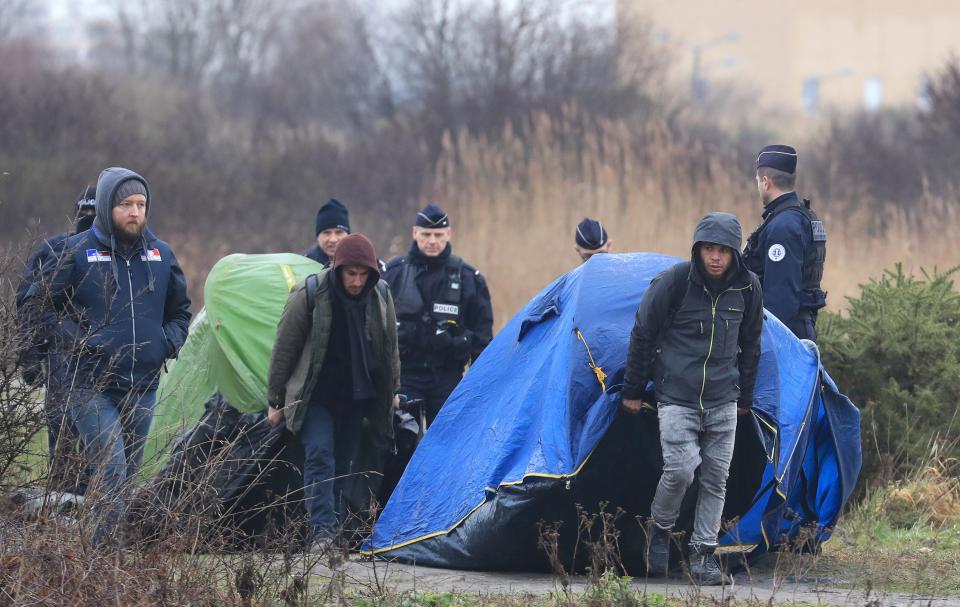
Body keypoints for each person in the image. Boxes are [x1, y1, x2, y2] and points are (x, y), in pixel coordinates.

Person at [41, 167, 192, 545]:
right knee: (112, 470)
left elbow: (180, 312)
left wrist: (165, 343)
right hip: (90, 386)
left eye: (141, 204)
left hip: (143, 385)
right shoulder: (74, 253)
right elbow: (41, 309)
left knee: (125, 478)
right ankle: (104, 559)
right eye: (126, 204)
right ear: (108, 206)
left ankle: (95, 556)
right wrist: (79, 342)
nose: (135, 212)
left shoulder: (162, 255)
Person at [621, 212, 763, 585]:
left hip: (723, 399)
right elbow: (642, 334)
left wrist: (744, 395)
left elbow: (751, 344)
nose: (715, 258)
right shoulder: (674, 283)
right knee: (681, 470)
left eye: (724, 251)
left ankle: (703, 554)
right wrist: (633, 390)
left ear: (735, 254)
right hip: (676, 397)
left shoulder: (748, 288)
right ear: (698, 250)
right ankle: (660, 532)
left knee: (717, 478)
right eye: (709, 249)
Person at [267, 234, 400, 548]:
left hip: (357, 395)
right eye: (349, 274)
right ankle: (322, 533)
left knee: (343, 463)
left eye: (362, 274)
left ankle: (334, 530)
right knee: (320, 455)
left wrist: (393, 389)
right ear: (338, 270)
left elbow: (390, 347)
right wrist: (275, 399)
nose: (355, 281)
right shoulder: (309, 293)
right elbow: (284, 349)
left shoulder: (380, 295)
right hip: (315, 395)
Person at [15, 185, 98, 494]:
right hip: (65, 359)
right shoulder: (56, 250)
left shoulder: (130, 253)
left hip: (91, 359)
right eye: (85, 213)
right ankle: (69, 512)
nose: (88, 220)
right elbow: (29, 305)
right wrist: (31, 358)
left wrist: (30, 358)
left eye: (93, 213)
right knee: (68, 443)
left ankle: (76, 508)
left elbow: (26, 304)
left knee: (81, 444)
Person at [382, 203, 494, 425]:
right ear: (415, 233)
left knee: (448, 446)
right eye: (426, 234)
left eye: (438, 235)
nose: (432, 241)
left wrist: (479, 388)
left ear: (449, 234)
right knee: (402, 444)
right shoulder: (392, 275)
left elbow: (482, 338)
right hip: (404, 378)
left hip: (448, 378)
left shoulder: (469, 279)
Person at [742, 144, 827, 341]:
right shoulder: (798, 217)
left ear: (765, 182)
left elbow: (781, 299)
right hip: (798, 328)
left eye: (757, 181)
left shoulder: (783, 227)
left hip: (784, 335)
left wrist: (763, 342)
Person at [304, 198, 350, 266]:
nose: (333, 239)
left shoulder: (362, 263)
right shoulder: (304, 264)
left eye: (339, 232)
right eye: (327, 233)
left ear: (348, 235)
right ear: (317, 237)